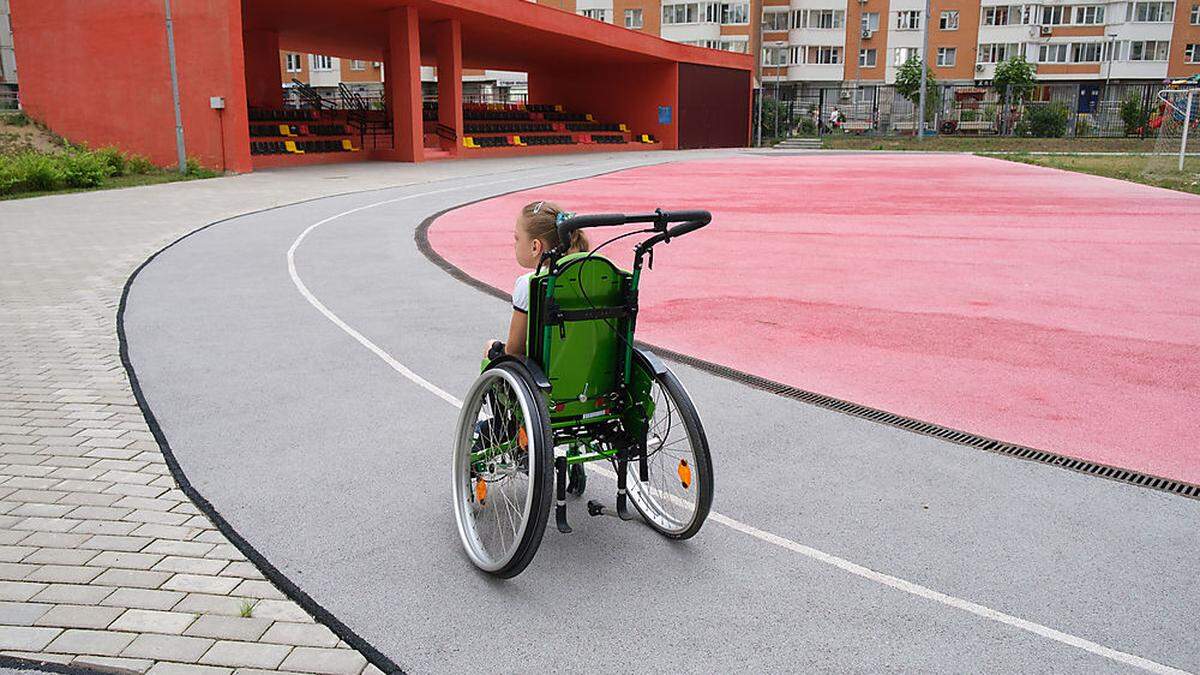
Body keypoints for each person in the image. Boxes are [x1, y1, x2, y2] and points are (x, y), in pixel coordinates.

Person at [484, 200, 589, 359]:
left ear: (535, 247)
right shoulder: (592, 275)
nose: (515, 244)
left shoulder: (530, 283)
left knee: (490, 347)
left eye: (517, 238)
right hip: (588, 362)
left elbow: (514, 350)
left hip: (547, 370)